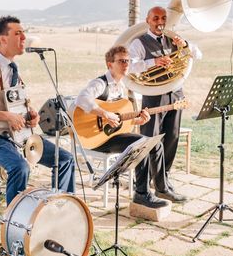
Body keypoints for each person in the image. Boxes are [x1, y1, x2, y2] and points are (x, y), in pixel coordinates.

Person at [0, 16, 75, 205]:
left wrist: (31, 116)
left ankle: (61, 209)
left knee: (65, 159)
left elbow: (15, 103)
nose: (24, 37)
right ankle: (14, 222)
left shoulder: (14, 68)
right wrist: (7, 116)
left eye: (24, 33)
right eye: (18, 33)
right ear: (3, 39)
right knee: (20, 167)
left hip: (19, 136)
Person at [75, 45, 186, 208]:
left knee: (154, 143)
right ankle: (142, 194)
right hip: (96, 138)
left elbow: (120, 121)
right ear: (109, 64)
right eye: (121, 61)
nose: (125, 64)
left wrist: (138, 121)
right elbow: (82, 99)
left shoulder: (122, 87)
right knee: (141, 144)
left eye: (127, 61)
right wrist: (104, 114)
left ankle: (161, 188)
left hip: (112, 135)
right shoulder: (100, 83)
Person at [129, 6, 202, 196]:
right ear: (148, 20)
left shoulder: (174, 38)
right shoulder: (139, 42)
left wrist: (184, 44)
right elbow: (130, 66)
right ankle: (147, 187)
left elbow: (198, 54)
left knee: (172, 138)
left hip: (176, 94)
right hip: (153, 96)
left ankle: (163, 181)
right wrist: (154, 62)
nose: (160, 22)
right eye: (155, 18)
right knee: (151, 140)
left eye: (163, 18)